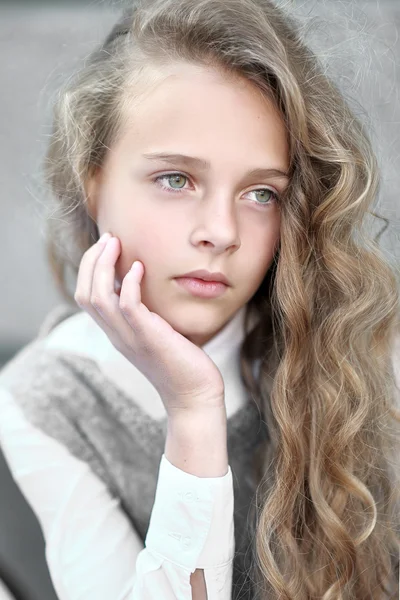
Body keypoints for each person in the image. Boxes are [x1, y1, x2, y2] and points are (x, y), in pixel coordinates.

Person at [1, 0, 399, 598]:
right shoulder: (42, 401)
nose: (222, 231)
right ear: (93, 181)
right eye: (176, 179)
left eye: (261, 192)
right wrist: (192, 407)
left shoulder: (359, 342)